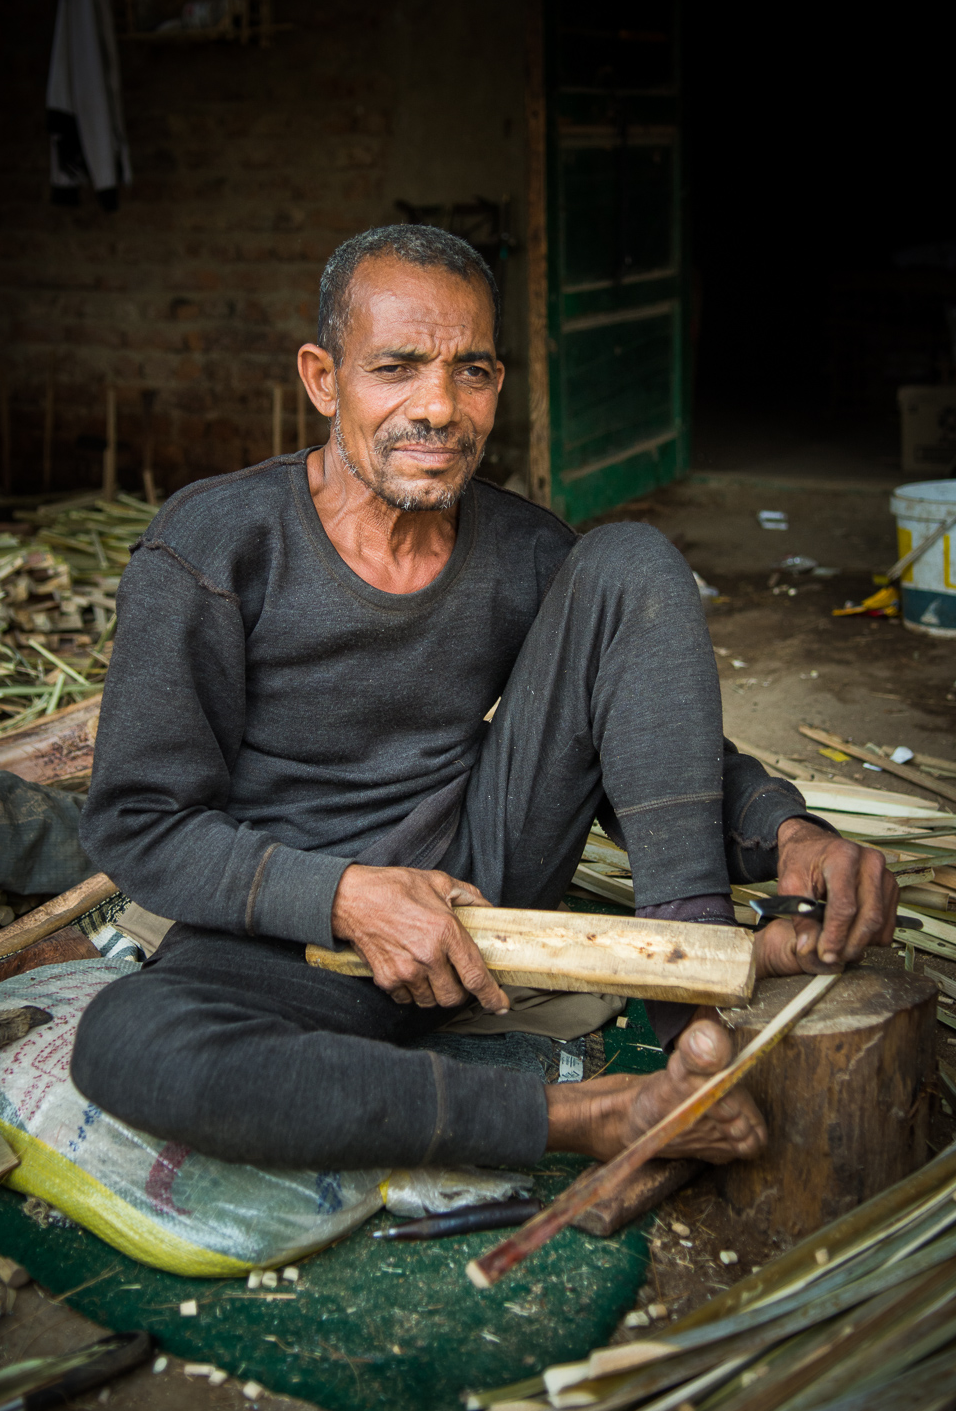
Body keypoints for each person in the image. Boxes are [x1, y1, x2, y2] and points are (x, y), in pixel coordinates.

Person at [71, 226, 898, 1174]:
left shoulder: (526, 551)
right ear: (322, 379)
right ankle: (591, 1117)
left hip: (483, 908)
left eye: (471, 372)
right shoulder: (213, 546)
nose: (437, 407)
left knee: (629, 562)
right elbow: (139, 822)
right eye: (395, 368)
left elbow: (645, 735)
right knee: (132, 1044)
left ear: (498, 384)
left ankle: (691, 987)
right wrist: (344, 898)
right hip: (288, 945)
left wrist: (788, 833)